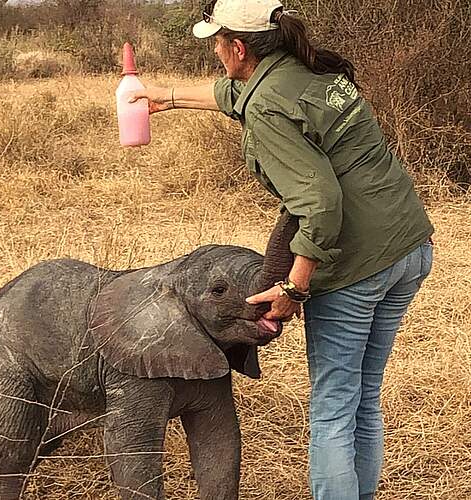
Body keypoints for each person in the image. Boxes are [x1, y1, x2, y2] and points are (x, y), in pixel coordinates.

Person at [129, 1, 434, 498]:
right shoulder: (307, 71)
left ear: (238, 47)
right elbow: (236, 94)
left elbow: (320, 201)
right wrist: (164, 97)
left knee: (333, 405)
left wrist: (294, 285)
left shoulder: (269, 103)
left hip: (356, 264)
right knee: (363, 398)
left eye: (217, 43)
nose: (214, 51)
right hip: (407, 247)